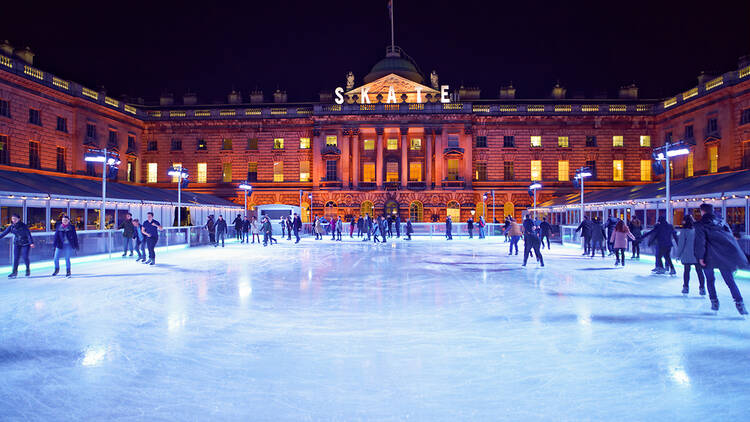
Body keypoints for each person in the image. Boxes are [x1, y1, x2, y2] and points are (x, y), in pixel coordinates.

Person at [694, 203, 747, 314]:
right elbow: (730, 238)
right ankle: (739, 303)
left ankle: (714, 302)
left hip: (708, 256)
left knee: (710, 280)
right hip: (723, 256)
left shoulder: (700, 224)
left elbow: (700, 242)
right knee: (730, 280)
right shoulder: (722, 222)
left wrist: (700, 257)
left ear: (702, 211)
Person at [675, 215, 705, 295]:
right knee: (699, 272)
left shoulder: (684, 231)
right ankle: (702, 288)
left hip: (687, 254)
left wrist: (678, 255)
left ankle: (686, 287)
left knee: (686, 271)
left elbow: (681, 244)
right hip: (697, 254)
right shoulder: (697, 230)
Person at [0, 213, 35, 278]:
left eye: (15, 219)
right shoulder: (11, 226)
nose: (13, 220)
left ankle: (27, 269)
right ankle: (14, 272)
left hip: (25, 243)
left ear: (19, 219)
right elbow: (4, 233)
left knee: (25, 257)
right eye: (12, 219)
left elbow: (28, 234)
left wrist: (31, 243)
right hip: (17, 243)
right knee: (16, 258)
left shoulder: (24, 226)